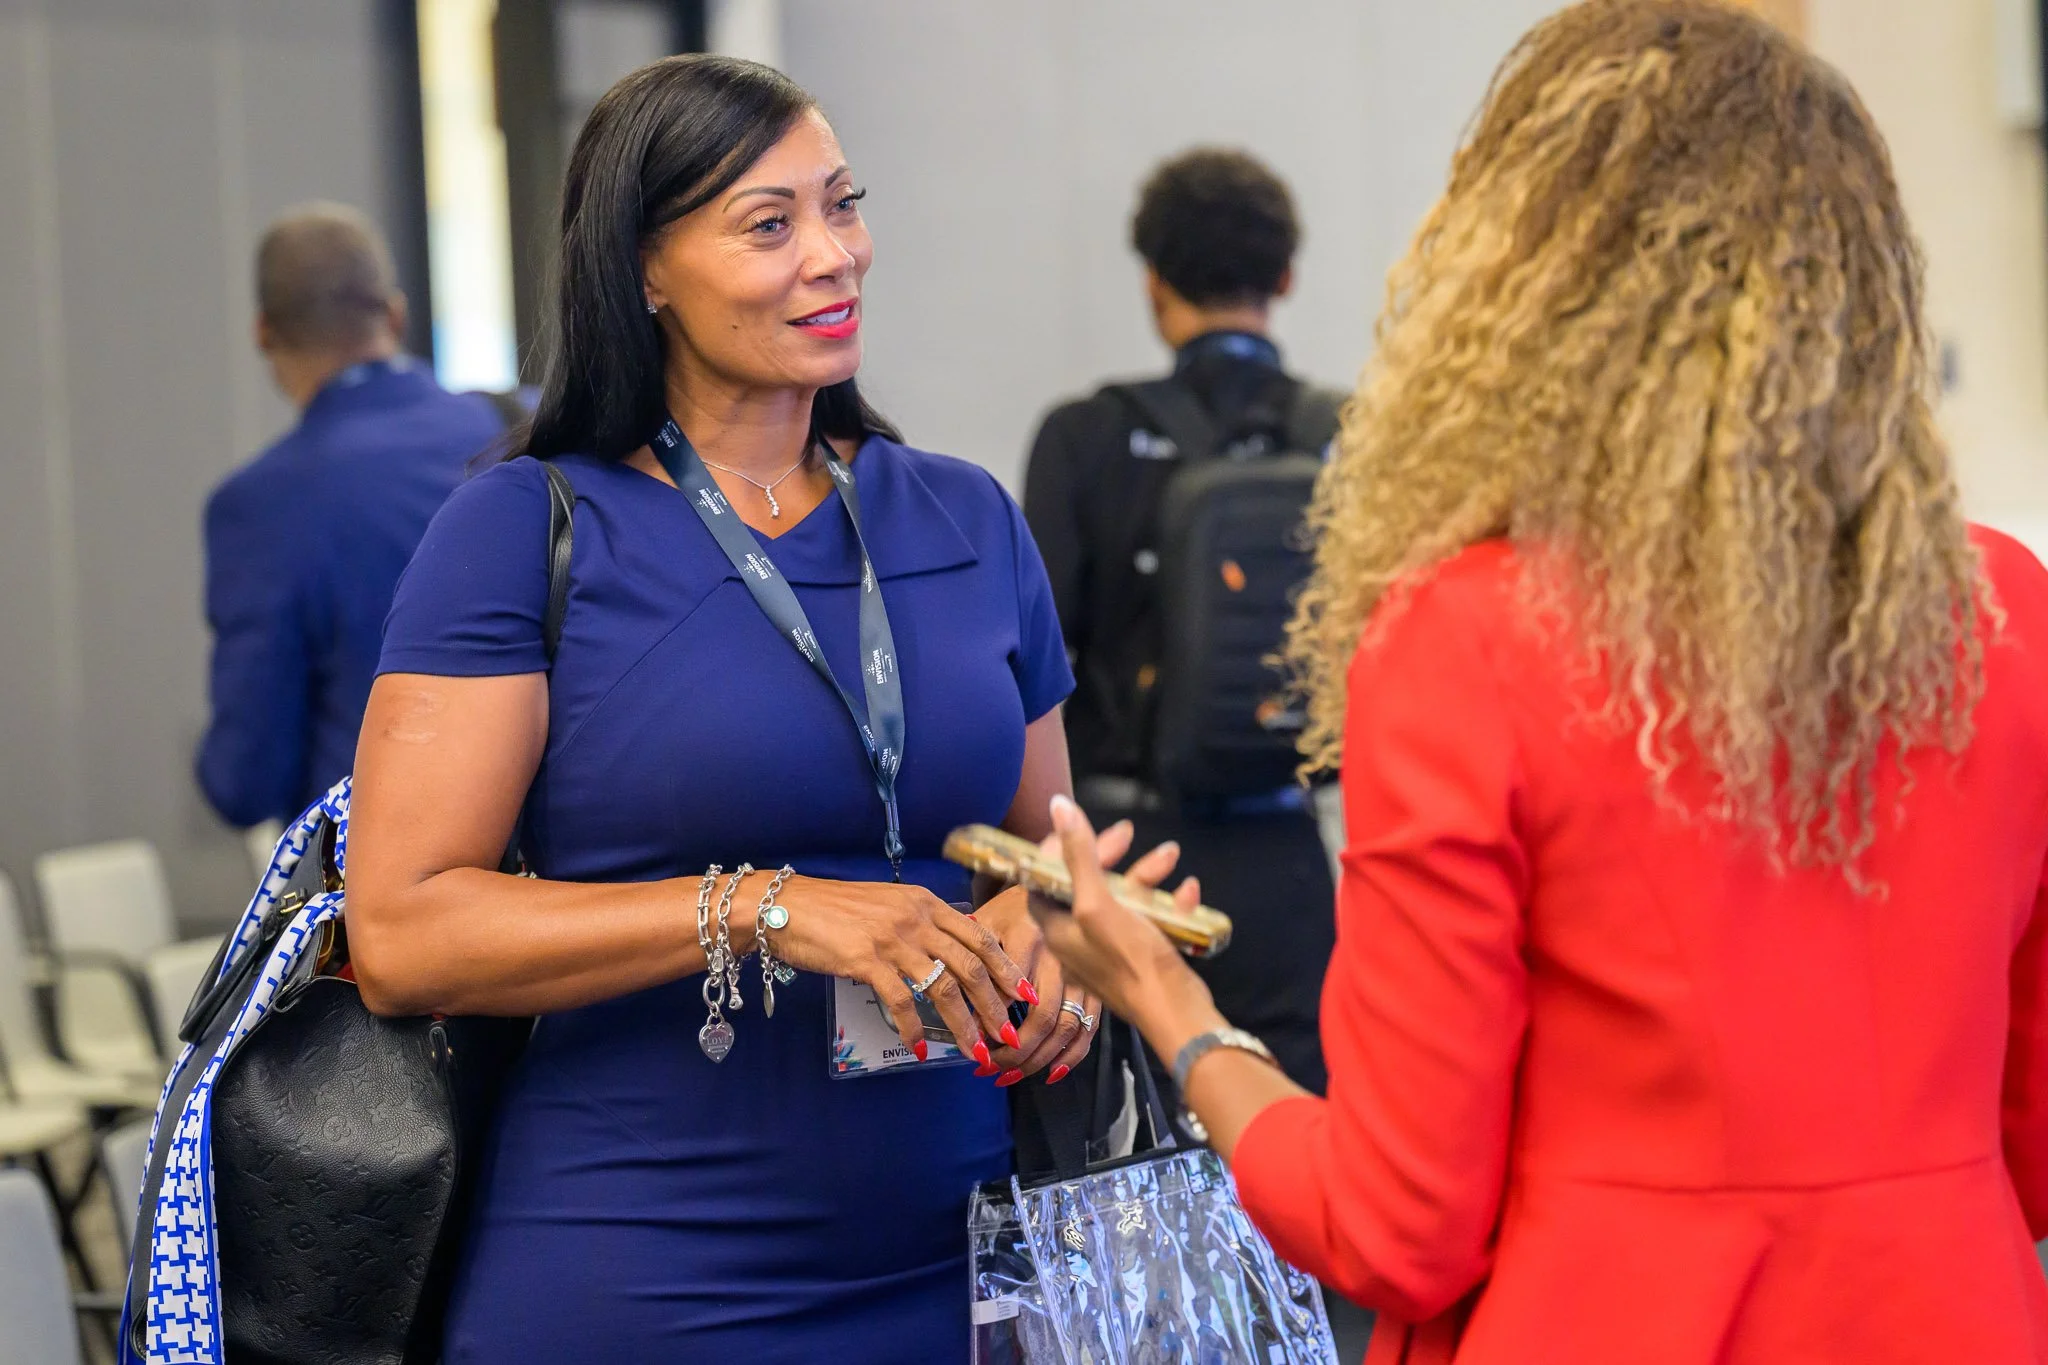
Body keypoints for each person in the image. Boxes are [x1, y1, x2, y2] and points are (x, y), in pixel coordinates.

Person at [1032, 4, 2048, 1363]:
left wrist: (1171, 1003)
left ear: (1526, 293)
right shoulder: (2005, 609)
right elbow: (2030, 1135)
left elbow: (1398, 1224)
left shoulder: (1470, 640)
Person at [344, 55, 1125, 1362]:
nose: (837, 256)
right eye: (771, 224)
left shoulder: (966, 519)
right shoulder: (524, 530)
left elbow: (1044, 857)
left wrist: (1064, 947)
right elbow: (405, 930)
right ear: (646, 270)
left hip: (967, 1257)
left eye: (843, 204)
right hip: (649, 1267)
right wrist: (765, 905)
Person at [1022, 148, 1340, 1093]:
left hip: (1136, 865)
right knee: (1296, 1132)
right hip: (1291, 863)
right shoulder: (1347, 436)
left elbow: (1034, 664)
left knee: (1134, 1147)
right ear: (1284, 278)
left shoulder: (1086, 437)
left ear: (1155, 283)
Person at [195, 203, 504, 828]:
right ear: (394, 313)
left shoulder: (263, 505)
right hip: (566, 880)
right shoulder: (521, 429)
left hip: (388, 890)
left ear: (262, 333)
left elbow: (246, 779)